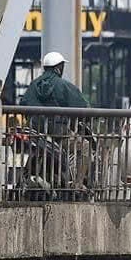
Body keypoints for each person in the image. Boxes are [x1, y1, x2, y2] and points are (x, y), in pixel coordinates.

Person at [18, 52, 92, 194]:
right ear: (59, 68)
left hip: (36, 133)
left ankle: (24, 181)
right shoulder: (63, 85)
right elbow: (82, 106)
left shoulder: (34, 85)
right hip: (59, 134)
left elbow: (24, 104)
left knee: (36, 151)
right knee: (85, 147)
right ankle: (77, 185)